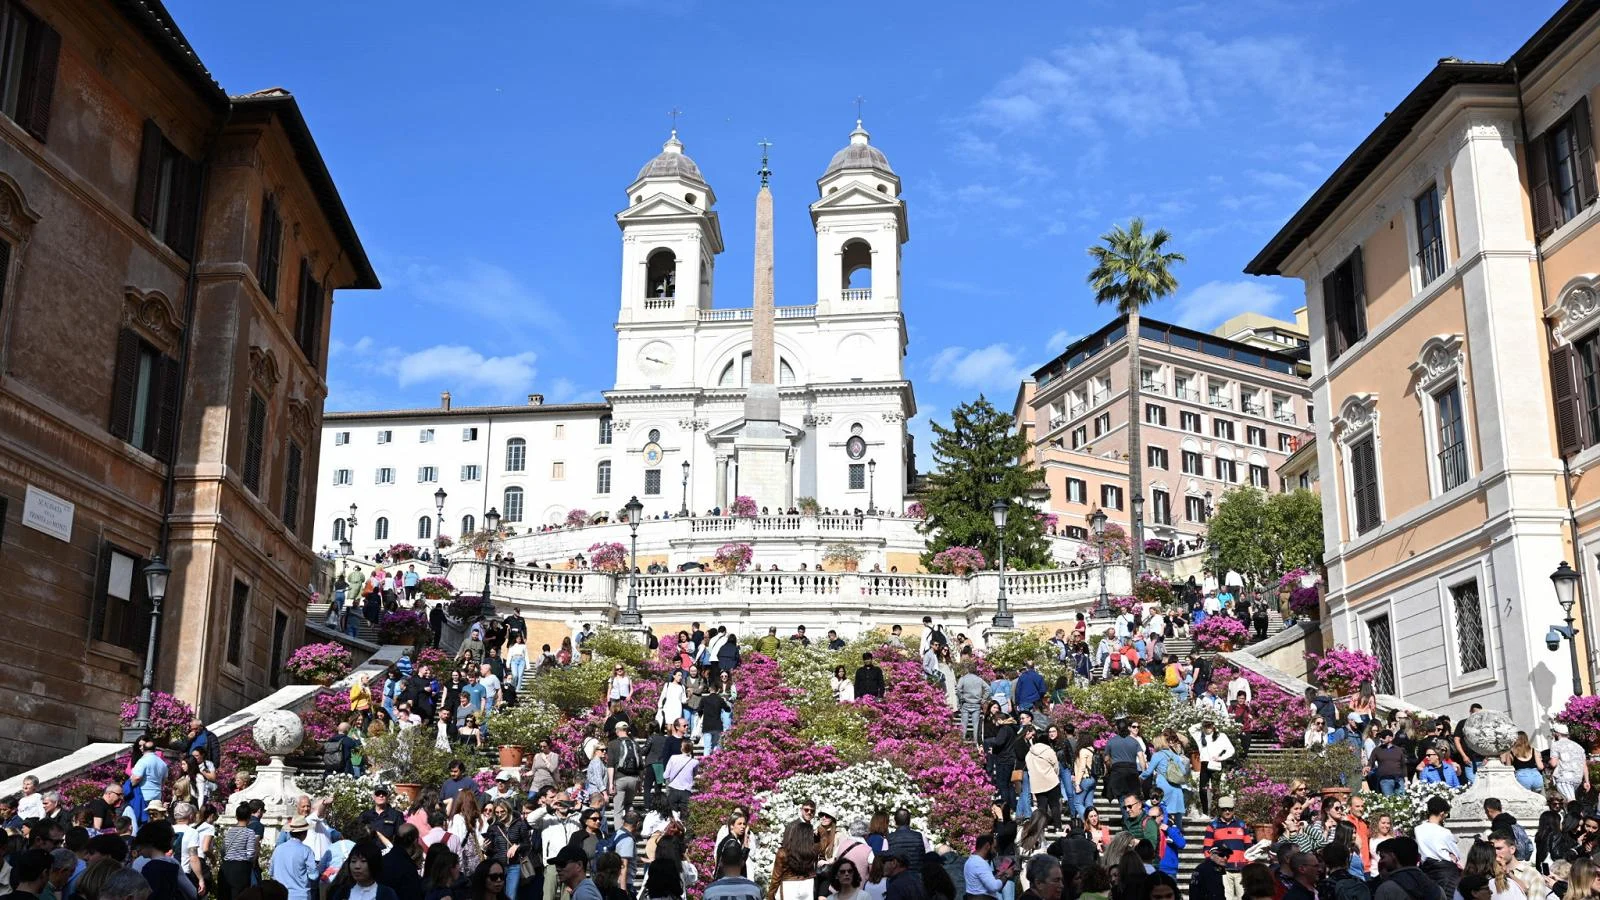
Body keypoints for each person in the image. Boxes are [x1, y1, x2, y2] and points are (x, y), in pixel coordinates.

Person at [1412, 799, 1459, 900]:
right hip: (1446, 871)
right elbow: (1456, 855)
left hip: (1426, 870)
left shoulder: (1418, 829)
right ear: (1442, 813)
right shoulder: (1445, 832)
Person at [269, 817, 321, 900]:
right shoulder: (306, 850)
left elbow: (271, 873)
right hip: (300, 895)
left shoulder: (278, 849)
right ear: (305, 833)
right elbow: (313, 875)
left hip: (279, 894)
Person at [1549, 725, 1589, 802]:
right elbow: (1584, 766)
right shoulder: (1578, 746)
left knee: (1571, 803)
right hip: (1577, 779)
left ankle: (1578, 814)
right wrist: (1587, 781)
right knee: (1567, 803)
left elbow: (1553, 763)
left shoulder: (1556, 745)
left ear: (1557, 734)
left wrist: (1549, 762)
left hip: (1564, 779)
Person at [965, 834, 1008, 900]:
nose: (995, 851)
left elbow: (980, 884)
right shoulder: (980, 863)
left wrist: (996, 876)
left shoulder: (971, 860)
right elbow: (994, 887)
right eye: (994, 848)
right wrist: (1006, 876)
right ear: (988, 846)